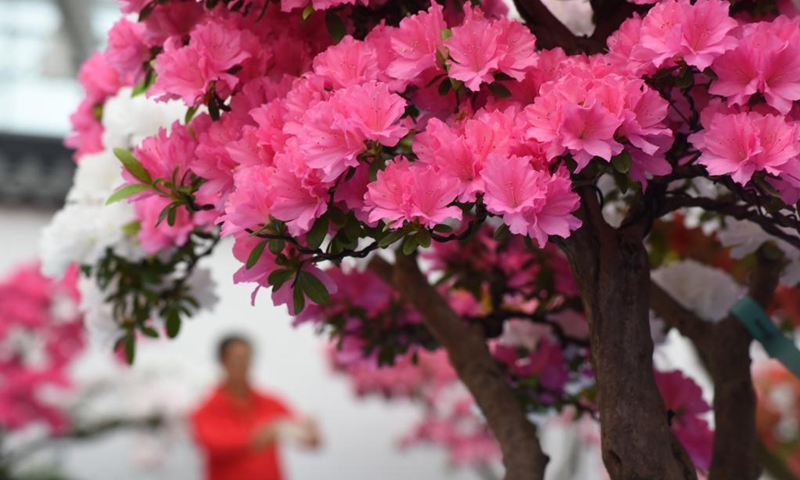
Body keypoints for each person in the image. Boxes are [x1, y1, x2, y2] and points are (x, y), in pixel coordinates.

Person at [191, 334, 320, 480]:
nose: (243, 365)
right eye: (237, 360)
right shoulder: (206, 409)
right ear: (223, 361)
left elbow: (307, 438)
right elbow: (212, 445)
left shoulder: (272, 402)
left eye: (246, 359)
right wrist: (263, 435)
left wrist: (310, 433)